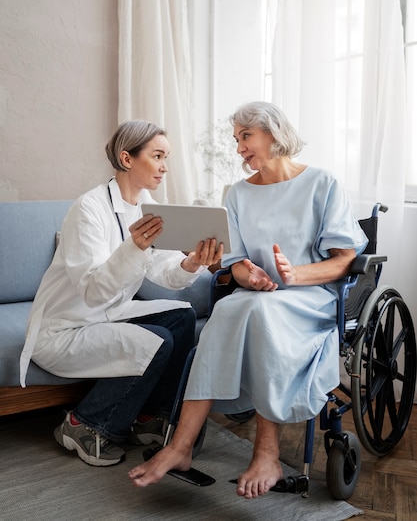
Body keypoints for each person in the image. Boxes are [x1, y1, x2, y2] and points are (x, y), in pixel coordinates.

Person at [128, 101, 368, 498]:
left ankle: (267, 452)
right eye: (236, 139)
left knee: (256, 311)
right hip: (258, 298)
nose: (238, 148)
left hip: (309, 300)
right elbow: (236, 262)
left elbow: (344, 261)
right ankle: (180, 446)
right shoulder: (237, 194)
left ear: (272, 134)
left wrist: (296, 274)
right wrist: (248, 274)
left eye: (245, 137)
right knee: (228, 308)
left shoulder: (322, 184)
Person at [19, 120, 222, 467]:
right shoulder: (88, 210)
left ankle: (149, 417)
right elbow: (94, 291)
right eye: (157, 156)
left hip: (106, 316)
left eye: (166, 157)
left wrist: (191, 264)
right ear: (127, 159)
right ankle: (85, 423)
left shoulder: (147, 204)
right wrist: (134, 247)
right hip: (65, 328)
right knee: (156, 340)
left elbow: (162, 269)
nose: (164, 166)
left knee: (182, 316)